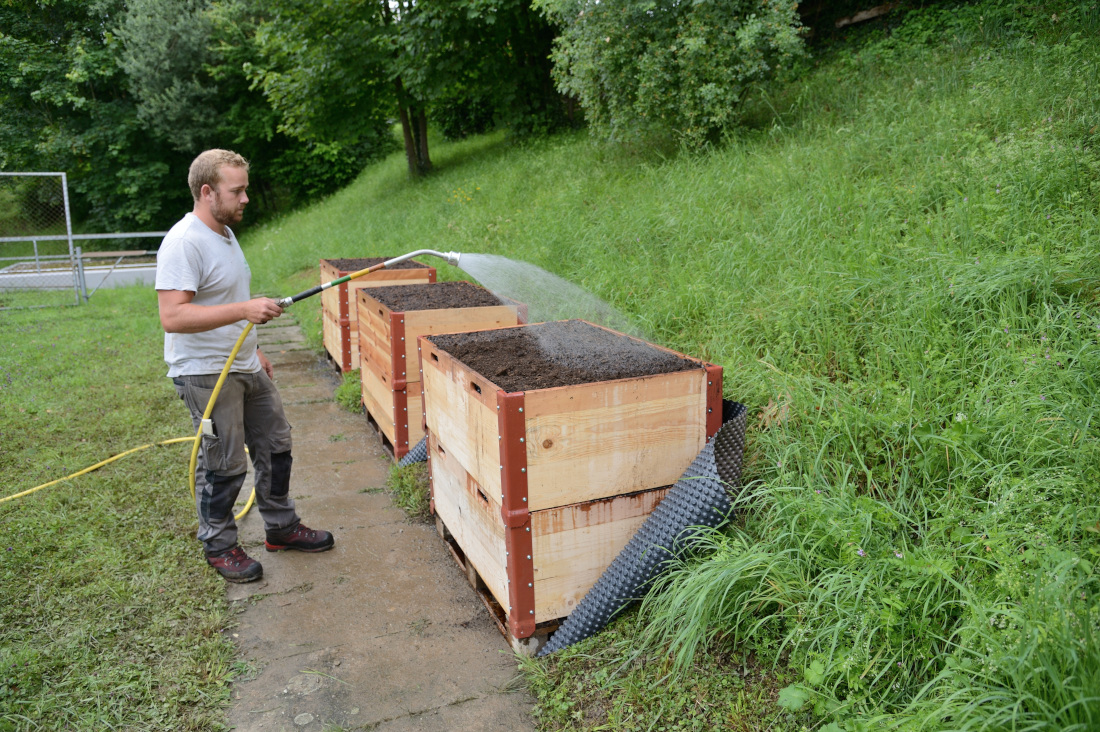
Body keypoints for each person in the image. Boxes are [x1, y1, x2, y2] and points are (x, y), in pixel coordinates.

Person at [155, 149, 334, 583]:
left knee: (276, 445)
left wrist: (253, 349)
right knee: (225, 461)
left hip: (243, 362)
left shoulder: (225, 234)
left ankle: (281, 527)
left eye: (245, 189)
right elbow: (173, 316)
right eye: (237, 191)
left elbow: (224, 301)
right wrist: (244, 311)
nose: (246, 198)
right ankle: (219, 545)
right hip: (205, 372)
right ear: (206, 192)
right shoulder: (184, 242)